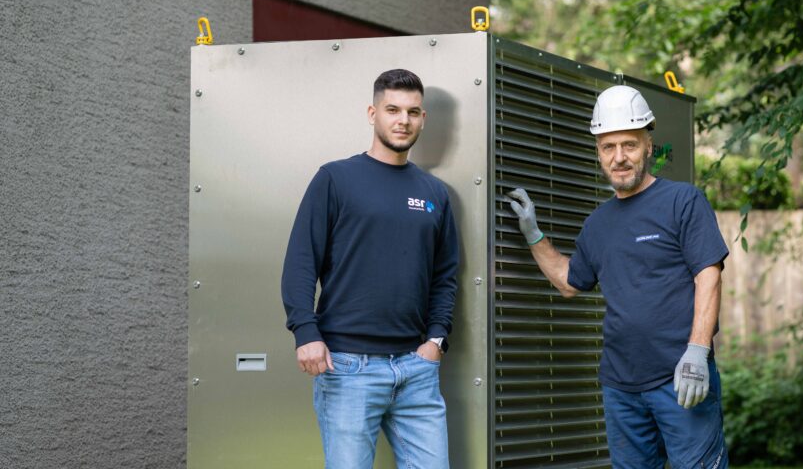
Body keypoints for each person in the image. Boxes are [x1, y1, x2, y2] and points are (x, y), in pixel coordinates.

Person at [506, 85, 730, 469]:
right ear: (598, 152)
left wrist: (697, 351)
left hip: (680, 375)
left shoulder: (682, 201)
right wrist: (534, 235)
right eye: (608, 147)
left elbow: (708, 275)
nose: (619, 157)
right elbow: (569, 281)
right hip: (621, 386)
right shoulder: (598, 224)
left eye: (629, 144)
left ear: (648, 145)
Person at [281, 68, 459, 469]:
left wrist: (436, 341)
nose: (403, 120)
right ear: (372, 113)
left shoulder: (434, 193)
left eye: (413, 112)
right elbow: (300, 261)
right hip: (347, 367)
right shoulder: (336, 178)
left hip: (416, 368)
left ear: (423, 119)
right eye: (392, 109)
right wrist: (305, 332)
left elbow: (444, 276)